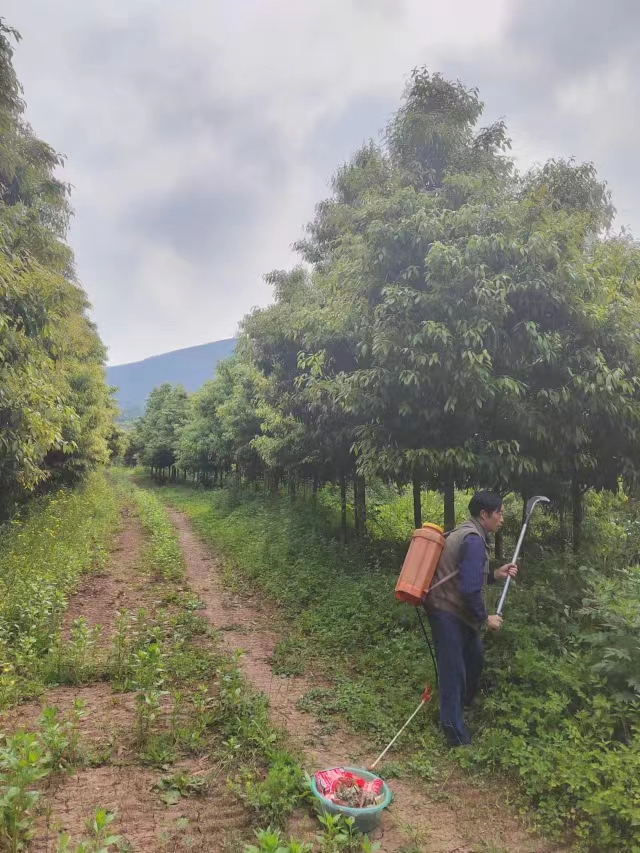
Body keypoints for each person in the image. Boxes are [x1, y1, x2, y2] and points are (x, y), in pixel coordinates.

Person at [423, 491, 518, 746]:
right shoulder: (474, 540)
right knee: (453, 671)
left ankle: (459, 711)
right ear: (484, 514)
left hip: (454, 611)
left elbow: (466, 576)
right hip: (447, 612)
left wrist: (495, 574)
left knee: (473, 659)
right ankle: (455, 734)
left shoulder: (467, 533)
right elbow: (467, 589)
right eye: (499, 512)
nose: (502, 518)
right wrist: (486, 618)